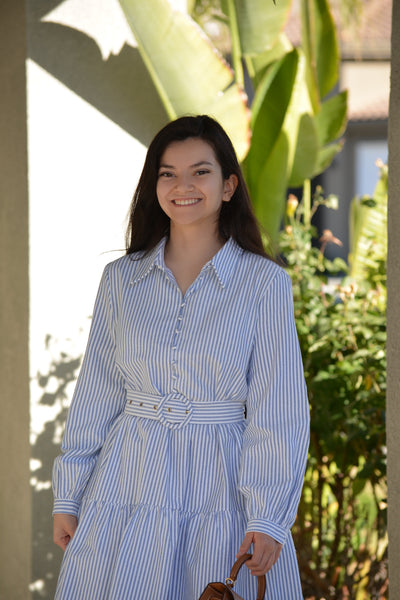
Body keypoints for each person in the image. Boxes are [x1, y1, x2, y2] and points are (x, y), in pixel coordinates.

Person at [53, 114, 310, 599]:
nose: (182, 185)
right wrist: (69, 493)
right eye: (167, 173)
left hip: (224, 486)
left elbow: (279, 409)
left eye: (201, 171)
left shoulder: (264, 284)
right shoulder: (120, 280)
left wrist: (268, 517)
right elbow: (97, 393)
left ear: (229, 185)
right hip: (128, 484)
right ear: (154, 186)